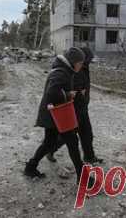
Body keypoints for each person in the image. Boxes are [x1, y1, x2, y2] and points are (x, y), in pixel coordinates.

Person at [24, 47, 87, 183]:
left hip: (54, 114)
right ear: (74, 62)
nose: (81, 66)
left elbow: (58, 90)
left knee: (49, 142)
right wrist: (68, 94)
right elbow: (52, 93)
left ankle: (30, 167)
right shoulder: (61, 73)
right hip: (57, 115)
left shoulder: (64, 71)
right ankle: (83, 178)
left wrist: (70, 92)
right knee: (72, 142)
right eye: (80, 63)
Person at [46, 47, 103, 164]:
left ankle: (89, 156)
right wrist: (78, 91)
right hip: (74, 107)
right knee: (68, 136)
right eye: (88, 60)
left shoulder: (85, 67)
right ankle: (50, 150)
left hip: (83, 106)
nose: (88, 62)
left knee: (87, 133)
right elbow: (70, 86)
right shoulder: (75, 68)